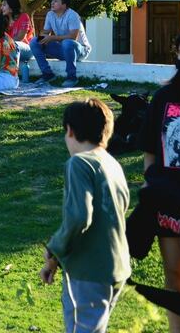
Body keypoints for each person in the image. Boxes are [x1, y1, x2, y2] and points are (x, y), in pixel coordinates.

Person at [40, 99, 129, 333]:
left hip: (88, 271)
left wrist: (54, 249)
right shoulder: (112, 164)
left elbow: (79, 216)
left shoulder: (79, 163)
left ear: (70, 130)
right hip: (116, 267)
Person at [136, 28, 180, 333]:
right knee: (175, 279)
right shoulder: (163, 97)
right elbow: (150, 152)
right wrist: (150, 188)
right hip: (168, 203)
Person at [29, 0, 92, 88]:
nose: (52, 3)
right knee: (34, 41)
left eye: (55, 1)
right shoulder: (50, 14)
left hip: (81, 50)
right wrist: (42, 37)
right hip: (63, 49)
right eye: (52, 1)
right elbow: (45, 32)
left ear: (64, 5)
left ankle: (72, 77)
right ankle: (47, 74)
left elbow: (73, 37)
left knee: (67, 43)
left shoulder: (72, 15)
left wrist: (51, 38)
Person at [1, 0, 35, 83]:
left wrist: (3, 42)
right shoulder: (3, 20)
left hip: (26, 49)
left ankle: (11, 77)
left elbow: (20, 37)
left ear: (12, 7)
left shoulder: (23, 16)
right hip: (8, 48)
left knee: (13, 44)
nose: (1, 8)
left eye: (4, 5)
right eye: (1, 5)